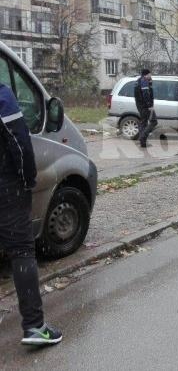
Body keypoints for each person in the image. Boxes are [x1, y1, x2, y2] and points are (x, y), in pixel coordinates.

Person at [0, 83, 62, 346]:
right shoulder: (1, 94)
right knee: (22, 251)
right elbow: (17, 138)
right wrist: (28, 178)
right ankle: (35, 326)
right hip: (5, 184)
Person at [134, 69, 156, 148]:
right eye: (150, 74)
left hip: (140, 105)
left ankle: (143, 142)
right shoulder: (144, 81)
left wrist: (150, 83)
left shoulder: (139, 81)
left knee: (143, 123)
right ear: (146, 75)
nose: (151, 76)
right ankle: (143, 138)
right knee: (154, 121)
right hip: (145, 106)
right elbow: (146, 94)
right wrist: (149, 105)